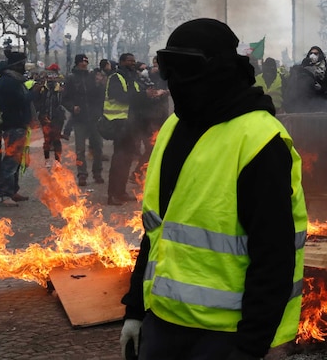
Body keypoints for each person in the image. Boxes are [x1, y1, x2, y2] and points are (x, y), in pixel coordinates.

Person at [119, 18, 307, 360]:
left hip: (227, 336)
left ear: (219, 68)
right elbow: (155, 232)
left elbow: (274, 256)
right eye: (167, 69)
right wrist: (135, 308)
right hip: (162, 323)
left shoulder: (261, 140)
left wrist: (251, 346)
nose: (174, 81)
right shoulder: (172, 127)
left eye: (184, 68)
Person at [104, 53, 165, 205]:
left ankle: (122, 192)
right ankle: (113, 195)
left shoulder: (133, 78)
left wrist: (152, 96)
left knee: (127, 159)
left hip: (132, 125)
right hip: (118, 123)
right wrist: (142, 94)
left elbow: (138, 99)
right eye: (129, 60)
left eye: (134, 60)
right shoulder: (116, 77)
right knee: (119, 160)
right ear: (122, 62)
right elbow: (121, 97)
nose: (133, 63)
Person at [0, 51, 37, 207]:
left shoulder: (15, 80)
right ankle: (4, 194)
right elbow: (20, 101)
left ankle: (13, 190)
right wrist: (33, 93)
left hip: (19, 124)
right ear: (17, 65)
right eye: (23, 63)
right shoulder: (8, 81)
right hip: (13, 125)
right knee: (11, 160)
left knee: (17, 160)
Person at [62, 54, 105, 186]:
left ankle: (97, 173)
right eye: (82, 61)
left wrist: (101, 84)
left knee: (98, 147)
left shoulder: (92, 77)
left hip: (94, 118)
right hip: (79, 119)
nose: (85, 64)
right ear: (77, 63)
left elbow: (101, 96)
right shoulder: (70, 78)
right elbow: (64, 98)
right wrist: (72, 107)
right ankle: (82, 174)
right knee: (80, 149)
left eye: (86, 61)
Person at [35, 64, 67, 168]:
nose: (51, 76)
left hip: (58, 118)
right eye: (50, 73)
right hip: (45, 117)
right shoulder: (42, 88)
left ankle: (58, 161)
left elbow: (64, 102)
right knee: (47, 139)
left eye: (53, 73)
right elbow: (37, 102)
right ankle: (47, 159)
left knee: (57, 139)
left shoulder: (61, 88)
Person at [297, 45, 327, 113]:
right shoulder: (303, 69)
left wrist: (321, 88)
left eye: (315, 54)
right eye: (311, 53)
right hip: (307, 106)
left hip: (323, 105)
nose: (312, 55)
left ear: (320, 55)